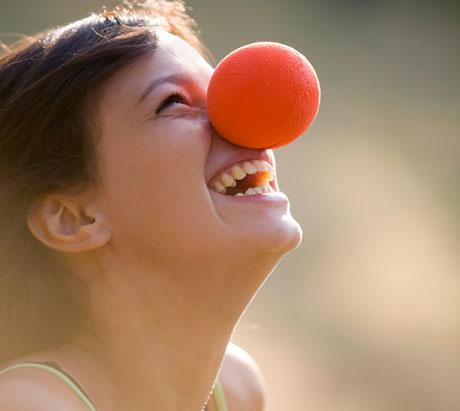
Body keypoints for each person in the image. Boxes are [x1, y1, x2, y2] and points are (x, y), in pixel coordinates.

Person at [0, 1, 302, 410]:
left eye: (221, 93)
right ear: (74, 218)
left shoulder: (235, 388)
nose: (241, 123)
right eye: (173, 102)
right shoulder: (30, 404)